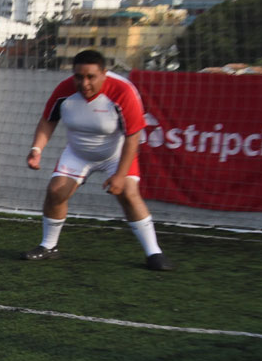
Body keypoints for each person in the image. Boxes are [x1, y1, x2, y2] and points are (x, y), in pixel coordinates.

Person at [22, 49, 172, 271]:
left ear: (104, 73)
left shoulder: (123, 91)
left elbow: (133, 137)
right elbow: (48, 120)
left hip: (116, 153)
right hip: (78, 153)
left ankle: (154, 253)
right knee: (56, 191)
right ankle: (49, 247)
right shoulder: (64, 90)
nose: (84, 83)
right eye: (78, 76)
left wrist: (120, 175)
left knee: (128, 194)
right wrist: (37, 149)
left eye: (91, 77)